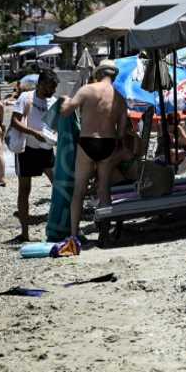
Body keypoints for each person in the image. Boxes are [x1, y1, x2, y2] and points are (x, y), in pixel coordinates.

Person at [60, 60, 128, 240]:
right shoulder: (120, 98)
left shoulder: (87, 90)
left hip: (88, 141)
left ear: (98, 73)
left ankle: (74, 235)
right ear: (114, 76)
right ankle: (104, 234)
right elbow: (121, 132)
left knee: (79, 191)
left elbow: (66, 111)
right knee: (104, 190)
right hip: (108, 143)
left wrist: (66, 100)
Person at [9, 69, 58, 242]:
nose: (52, 91)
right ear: (41, 84)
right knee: (24, 190)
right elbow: (14, 122)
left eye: (54, 88)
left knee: (58, 185)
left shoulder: (53, 101)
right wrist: (33, 133)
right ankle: (24, 232)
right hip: (26, 150)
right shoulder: (26, 98)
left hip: (46, 149)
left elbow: (56, 124)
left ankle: (59, 224)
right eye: (50, 88)